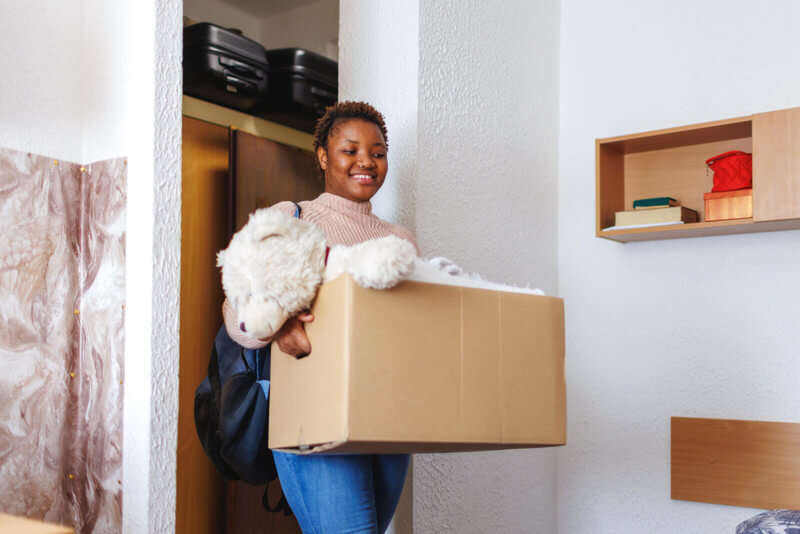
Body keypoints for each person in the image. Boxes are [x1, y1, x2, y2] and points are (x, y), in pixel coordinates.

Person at [222, 101, 417, 533]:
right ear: (324, 157)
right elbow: (237, 311)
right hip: (311, 408)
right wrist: (280, 326)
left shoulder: (400, 240)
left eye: (378, 152)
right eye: (350, 150)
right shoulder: (292, 218)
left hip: (388, 416)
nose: (366, 161)